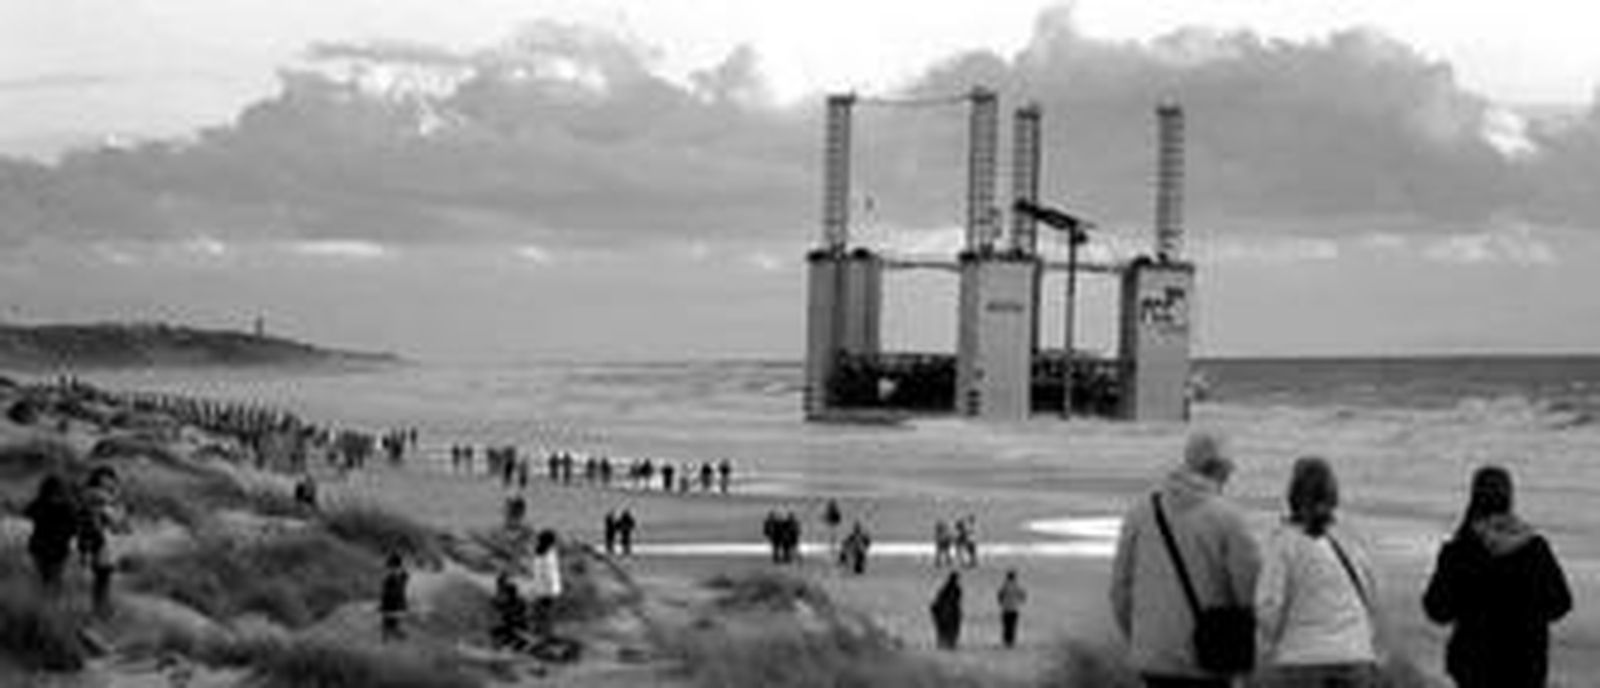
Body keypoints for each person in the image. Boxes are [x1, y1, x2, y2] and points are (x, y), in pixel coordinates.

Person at [1110, 432, 1261, 688]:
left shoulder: (1140, 512)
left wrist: (1141, 639)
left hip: (1152, 657)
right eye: (1229, 470)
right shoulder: (1229, 518)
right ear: (1220, 469)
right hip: (1210, 658)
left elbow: (1119, 590)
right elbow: (1250, 592)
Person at [1423, 465, 1571, 688]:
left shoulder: (1459, 550)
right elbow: (1561, 604)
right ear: (1509, 498)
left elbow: (1437, 610)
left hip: (1473, 667)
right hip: (1527, 665)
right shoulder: (1535, 548)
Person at [1256, 457, 1380, 687]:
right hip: (1356, 656)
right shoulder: (1350, 539)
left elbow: (1269, 607)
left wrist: (1269, 647)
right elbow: (1371, 598)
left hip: (1301, 661)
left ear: (1293, 495)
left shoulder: (1283, 543)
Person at [77, 466, 127, 618]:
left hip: (100, 542)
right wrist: (118, 509)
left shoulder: (93, 498)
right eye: (107, 478)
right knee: (102, 579)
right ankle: (101, 611)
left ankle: (101, 609)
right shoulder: (99, 498)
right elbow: (116, 523)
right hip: (101, 543)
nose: (110, 482)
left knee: (102, 579)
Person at [25, 474, 77, 594]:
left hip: (47, 546)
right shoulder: (67, 506)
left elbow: (27, 514)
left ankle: (48, 605)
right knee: (52, 578)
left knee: (49, 577)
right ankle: (49, 605)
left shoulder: (40, 504)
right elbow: (74, 527)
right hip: (51, 547)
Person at [529, 530, 563, 639]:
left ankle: (539, 633)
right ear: (550, 542)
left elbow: (538, 573)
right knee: (548, 614)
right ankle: (546, 635)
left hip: (540, 588)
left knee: (541, 613)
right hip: (549, 589)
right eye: (554, 541)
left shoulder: (539, 553)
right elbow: (550, 573)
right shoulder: (549, 555)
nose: (556, 543)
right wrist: (553, 589)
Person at [380, 552, 409, 642]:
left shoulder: (398, 576)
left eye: (390, 566)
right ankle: (389, 634)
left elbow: (395, 590)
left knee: (390, 622)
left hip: (395, 604)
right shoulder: (394, 577)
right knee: (389, 622)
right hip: (393, 604)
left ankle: (391, 633)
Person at [930, 571, 963, 650]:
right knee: (945, 631)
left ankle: (948, 644)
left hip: (949, 612)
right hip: (945, 613)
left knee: (949, 631)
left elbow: (956, 601)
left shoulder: (955, 589)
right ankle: (945, 645)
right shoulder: (948, 589)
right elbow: (940, 601)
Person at [997, 569, 1027, 649]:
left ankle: (1006, 641)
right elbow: (1023, 596)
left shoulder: (1004, 586)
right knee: (1013, 626)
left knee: (1006, 626)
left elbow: (1000, 595)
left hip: (1006, 608)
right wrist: (1020, 602)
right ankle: (1011, 642)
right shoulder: (1018, 586)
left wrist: (1001, 603)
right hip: (1014, 609)